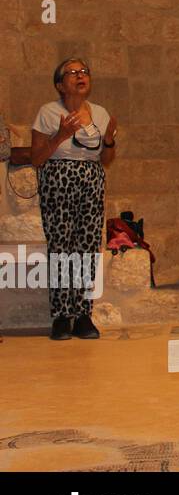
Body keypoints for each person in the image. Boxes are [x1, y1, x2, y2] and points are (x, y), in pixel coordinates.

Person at [30, 59, 118, 340]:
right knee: (61, 247)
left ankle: (82, 314)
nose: (81, 76)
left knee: (87, 248)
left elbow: (106, 160)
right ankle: (60, 316)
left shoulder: (101, 114)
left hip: (91, 182)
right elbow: (37, 158)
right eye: (73, 73)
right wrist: (61, 135)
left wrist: (110, 142)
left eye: (84, 72)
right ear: (59, 84)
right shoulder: (48, 112)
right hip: (57, 181)